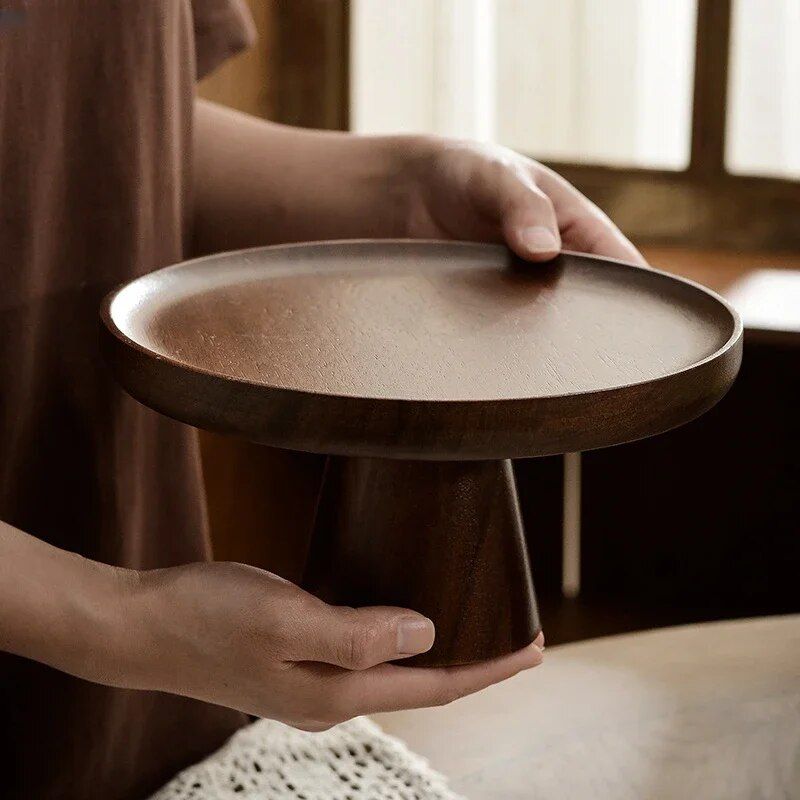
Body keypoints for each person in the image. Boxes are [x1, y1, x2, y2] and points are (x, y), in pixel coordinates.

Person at [0, 3, 645, 799]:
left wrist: (409, 182)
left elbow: (106, 131)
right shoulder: (130, 628)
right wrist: (117, 622)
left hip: (137, 715)